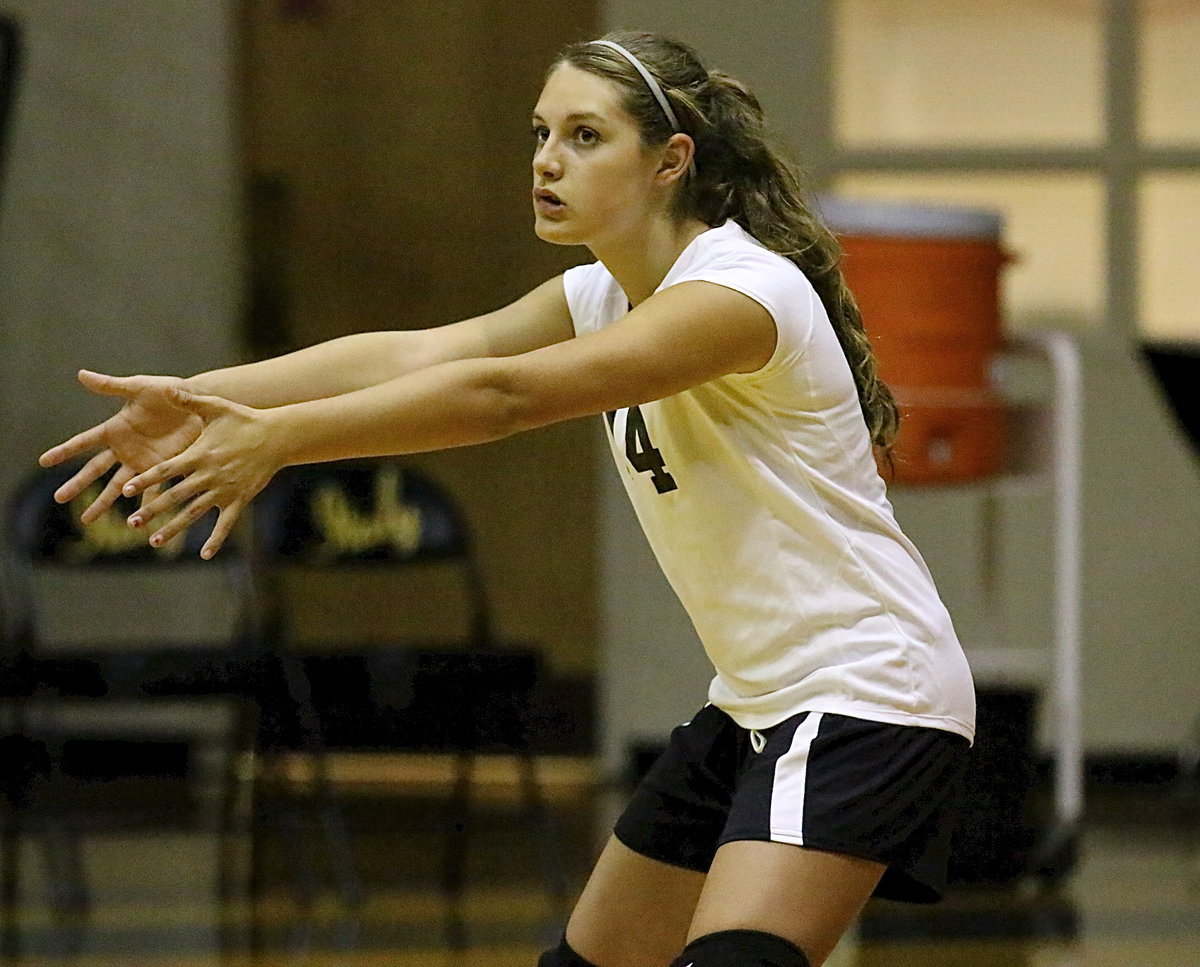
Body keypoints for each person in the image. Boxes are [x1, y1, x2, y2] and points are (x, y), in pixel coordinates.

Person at [39, 31, 975, 967]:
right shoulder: (602, 292)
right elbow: (419, 352)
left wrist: (281, 442)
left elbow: (504, 395)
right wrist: (207, 397)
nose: (546, 160)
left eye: (584, 136)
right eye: (539, 134)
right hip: (760, 701)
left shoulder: (739, 293)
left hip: (866, 688)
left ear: (670, 161)